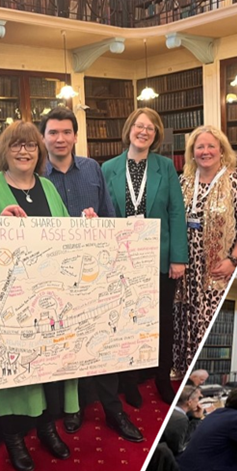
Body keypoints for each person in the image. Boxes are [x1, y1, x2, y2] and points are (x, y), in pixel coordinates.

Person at [0, 121, 80, 471]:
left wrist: (85, 225)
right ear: (4, 151)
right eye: (16, 145)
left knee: (45, 371)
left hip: (45, 300)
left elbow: (64, 237)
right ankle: (14, 438)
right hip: (5, 304)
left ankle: (45, 428)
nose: (24, 151)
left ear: (38, 150)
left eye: (30, 145)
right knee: (12, 374)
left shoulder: (47, 187)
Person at [38, 107, 143, 443]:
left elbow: (112, 220)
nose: (60, 139)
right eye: (53, 132)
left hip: (95, 274)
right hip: (54, 276)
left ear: (75, 136)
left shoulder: (92, 170)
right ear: (44, 137)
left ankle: (114, 411)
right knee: (63, 347)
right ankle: (73, 409)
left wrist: (99, 225)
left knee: (102, 346)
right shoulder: (35, 175)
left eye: (66, 132)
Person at [102, 107, 189, 406]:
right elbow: (104, 214)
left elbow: (177, 212)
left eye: (150, 128)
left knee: (163, 320)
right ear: (129, 130)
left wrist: (178, 257)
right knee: (127, 321)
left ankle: (163, 378)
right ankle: (129, 381)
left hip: (160, 258)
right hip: (122, 261)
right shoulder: (108, 168)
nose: (144, 131)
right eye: (139, 126)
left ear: (156, 135)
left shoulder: (165, 167)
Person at [175, 126, 237, 376]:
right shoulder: (183, 182)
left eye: (211, 146)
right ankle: (182, 367)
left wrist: (233, 260)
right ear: (192, 152)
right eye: (200, 147)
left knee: (209, 319)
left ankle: (201, 373)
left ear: (222, 150)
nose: (205, 151)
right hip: (187, 268)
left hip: (218, 267)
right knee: (184, 315)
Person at [162, 386, 205, 456]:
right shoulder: (180, 419)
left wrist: (196, 418)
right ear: (189, 402)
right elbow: (179, 448)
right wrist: (197, 420)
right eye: (198, 399)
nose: (198, 403)